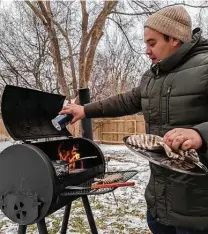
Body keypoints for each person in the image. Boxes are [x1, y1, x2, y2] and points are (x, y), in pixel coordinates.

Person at [59, 5, 208, 234]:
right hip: (161, 202)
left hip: (199, 209)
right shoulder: (152, 76)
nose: (147, 50)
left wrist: (200, 133)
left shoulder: (204, 67)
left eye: (152, 43)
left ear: (175, 39)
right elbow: (126, 101)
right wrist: (84, 110)